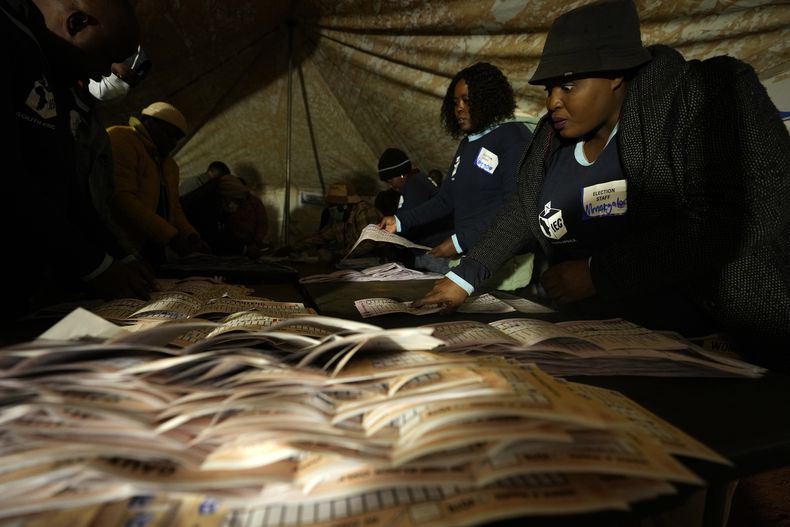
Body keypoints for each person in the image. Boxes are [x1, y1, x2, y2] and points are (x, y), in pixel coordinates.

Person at [413, 0, 790, 370]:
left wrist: (599, 274)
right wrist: (465, 276)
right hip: (609, 346)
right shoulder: (551, 140)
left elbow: (739, 214)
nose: (553, 102)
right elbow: (523, 211)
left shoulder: (704, 97)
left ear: (615, 75)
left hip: (723, 347)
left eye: (569, 85)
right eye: (549, 89)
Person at [2, 0, 154, 318]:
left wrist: (117, 258)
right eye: (104, 58)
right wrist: (94, 265)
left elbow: (64, 186)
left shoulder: (48, 62)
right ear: (78, 23)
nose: (101, 73)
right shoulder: (8, 37)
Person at [379, 62, 533, 262]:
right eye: (455, 102)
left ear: (488, 100)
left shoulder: (513, 136)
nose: (459, 108)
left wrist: (460, 241)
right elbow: (445, 199)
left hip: (507, 260)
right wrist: (399, 222)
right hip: (474, 258)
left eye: (466, 100)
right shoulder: (468, 144)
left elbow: (515, 205)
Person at [107, 101, 209, 267]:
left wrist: (191, 236)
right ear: (149, 123)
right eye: (169, 134)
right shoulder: (121, 139)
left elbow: (174, 207)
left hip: (153, 246)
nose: (173, 143)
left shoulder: (169, 164)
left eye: (177, 139)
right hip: (122, 248)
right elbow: (122, 198)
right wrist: (170, 237)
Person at [377, 148, 452, 248]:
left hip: (435, 247)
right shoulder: (411, 184)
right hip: (430, 246)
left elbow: (410, 218)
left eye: (391, 181)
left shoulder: (415, 184)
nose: (390, 186)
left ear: (401, 175)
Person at [288, 182, 381, 261]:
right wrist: (294, 247)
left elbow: (367, 244)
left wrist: (339, 255)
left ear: (344, 206)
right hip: (353, 263)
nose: (331, 209)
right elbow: (321, 236)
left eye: (333, 205)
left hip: (376, 263)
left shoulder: (365, 211)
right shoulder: (340, 218)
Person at [183, 173, 269, 258]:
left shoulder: (218, 206)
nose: (237, 205)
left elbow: (262, 223)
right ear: (226, 196)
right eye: (237, 201)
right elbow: (215, 237)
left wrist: (253, 244)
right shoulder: (206, 206)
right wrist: (245, 249)